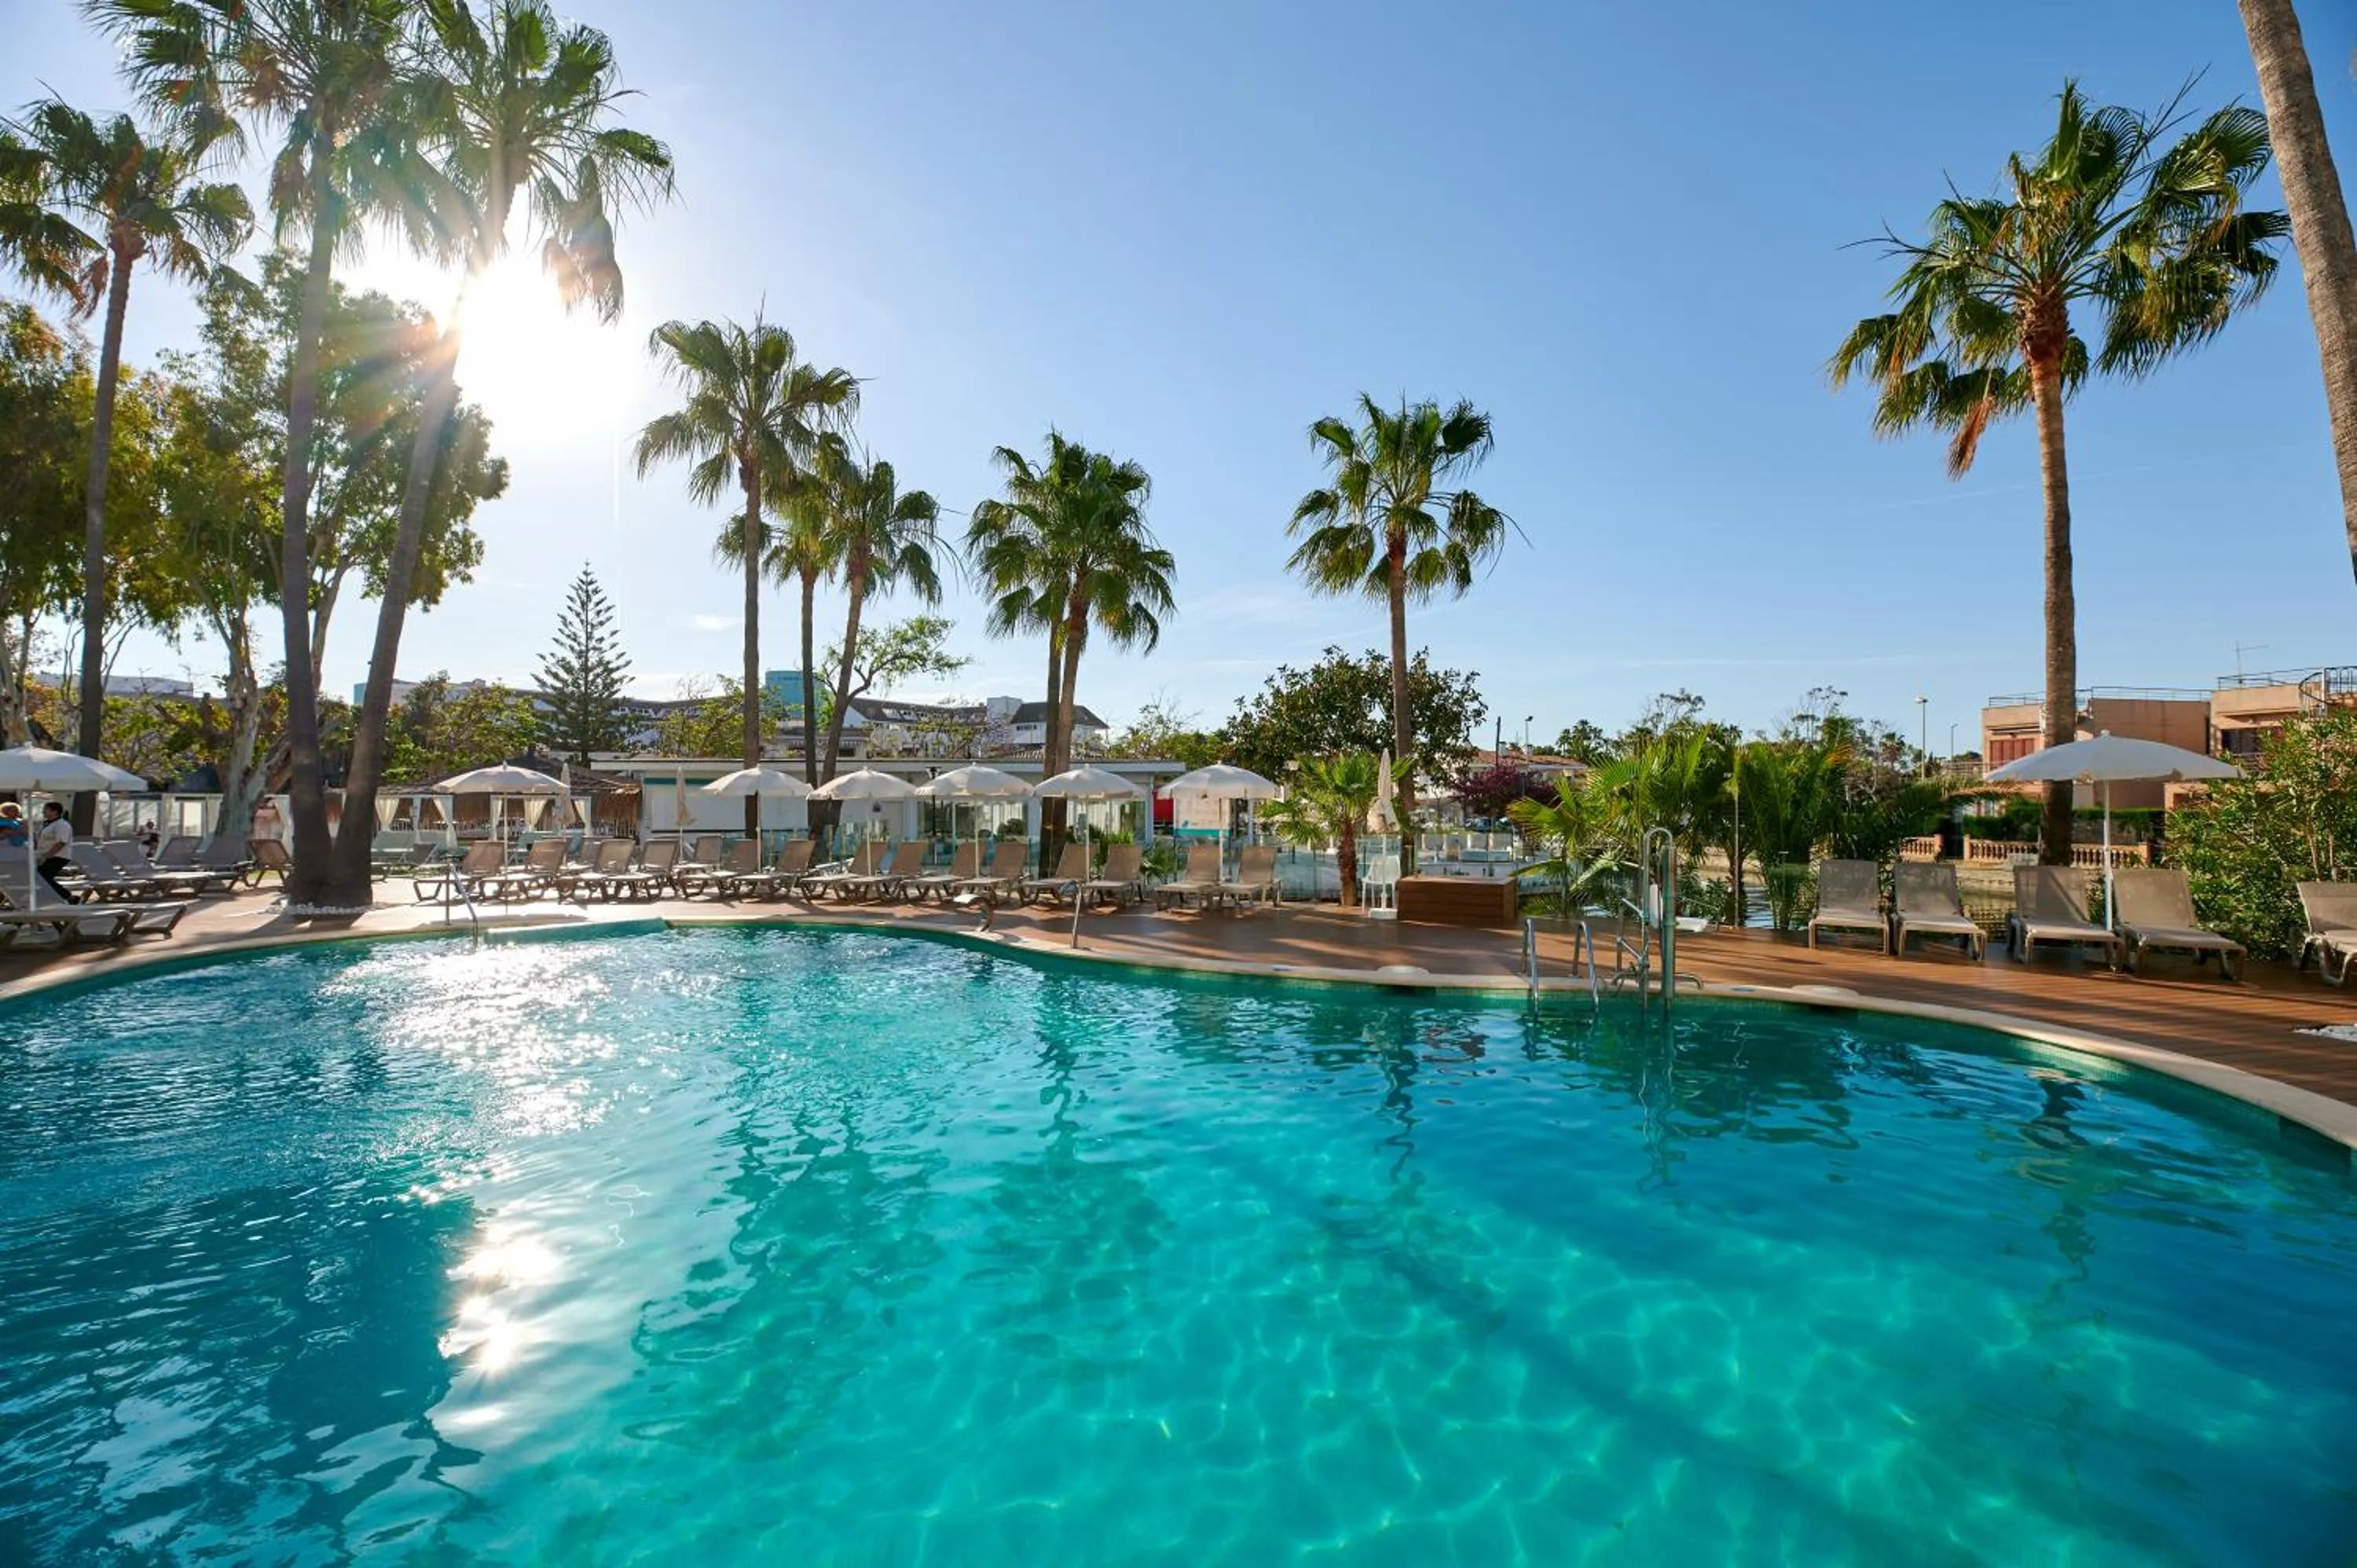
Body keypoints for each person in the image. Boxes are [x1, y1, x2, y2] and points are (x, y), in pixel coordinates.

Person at [35, 801, 75, 900]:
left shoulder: (62, 825)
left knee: (42, 878)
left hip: (57, 856)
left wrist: (46, 856)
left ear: (55, 811)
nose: (43, 812)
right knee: (42, 878)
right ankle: (63, 897)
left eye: (46, 810)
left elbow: (61, 843)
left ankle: (67, 896)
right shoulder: (46, 824)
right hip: (45, 855)